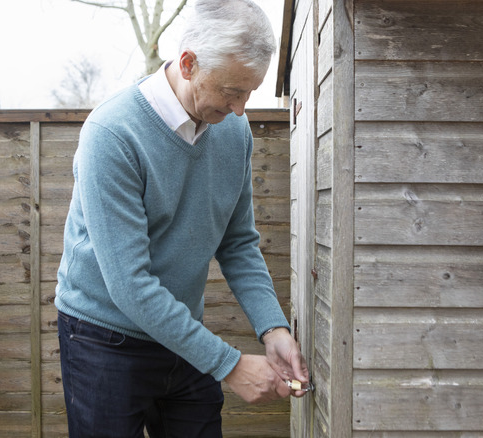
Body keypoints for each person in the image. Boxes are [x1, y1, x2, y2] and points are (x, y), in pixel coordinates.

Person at [54, 0, 309, 436]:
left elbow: (238, 242)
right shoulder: (112, 134)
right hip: (103, 338)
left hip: (180, 331)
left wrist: (273, 328)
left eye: (250, 92)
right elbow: (130, 285)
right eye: (232, 92)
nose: (241, 109)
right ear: (188, 63)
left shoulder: (233, 132)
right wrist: (228, 365)